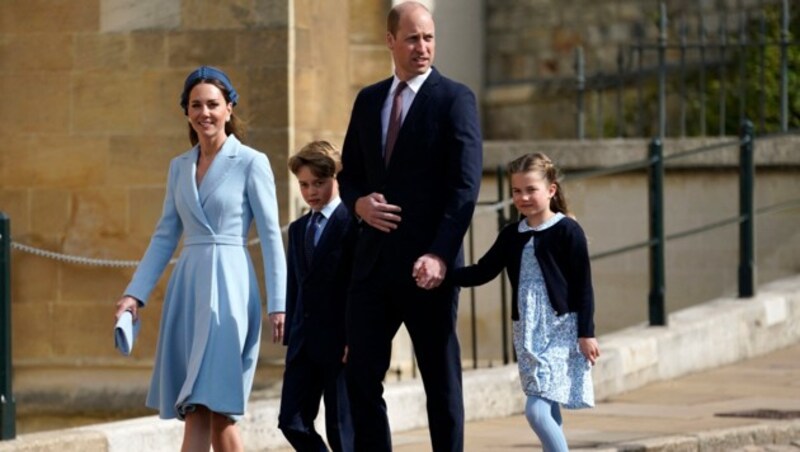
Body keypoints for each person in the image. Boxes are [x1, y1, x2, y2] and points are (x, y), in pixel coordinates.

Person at [113, 65, 287, 452]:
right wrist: (134, 295)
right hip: (188, 289)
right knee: (206, 411)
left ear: (229, 108)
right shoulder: (179, 167)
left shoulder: (251, 162)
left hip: (230, 288)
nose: (204, 113)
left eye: (213, 104)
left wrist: (279, 304)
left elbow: (272, 236)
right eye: (196, 105)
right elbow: (164, 237)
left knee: (210, 405)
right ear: (186, 111)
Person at [337, 2, 483, 451]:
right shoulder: (368, 100)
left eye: (430, 38)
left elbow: (465, 186)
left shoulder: (455, 99)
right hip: (373, 268)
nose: (423, 47)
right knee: (360, 379)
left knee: (441, 386)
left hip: (428, 271)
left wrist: (440, 253)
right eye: (414, 38)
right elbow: (349, 176)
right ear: (391, 41)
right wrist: (358, 203)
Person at [450, 153, 600, 452]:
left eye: (531, 189)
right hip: (527, 330)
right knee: (548, 407)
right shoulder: (511, 235)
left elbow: (584, 286)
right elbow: (483, 271)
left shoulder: (568, 231)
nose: (523, 197)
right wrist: (443, 275)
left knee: (536, 410)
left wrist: (586, 332)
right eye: (517, 191)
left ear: (551, 190)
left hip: (562, 329)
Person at [278, 141, 355, 451]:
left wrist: (355, 337)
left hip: (340, 345)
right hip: (303, 344)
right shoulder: (298, 229)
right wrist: (292, 338)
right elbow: (296, 285)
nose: (311, 191)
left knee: (341, 429)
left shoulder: (352, 223)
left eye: (319, 183)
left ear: (337, 179)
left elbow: (356, 287)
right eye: (304, 184)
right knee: (291, 421)